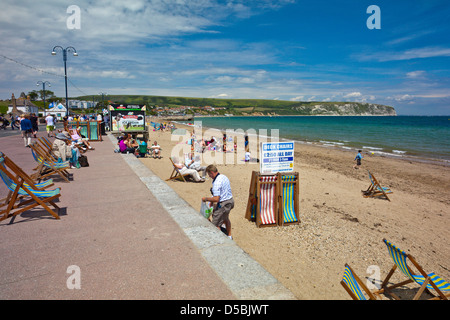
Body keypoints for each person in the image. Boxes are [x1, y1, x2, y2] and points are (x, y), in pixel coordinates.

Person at [202, 165, 234, 239]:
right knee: (226, 218)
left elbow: (216, 199)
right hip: (230, 201)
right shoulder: (223, 177)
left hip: (223, 204)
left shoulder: (216, 183)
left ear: (212, 172)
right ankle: (229, 236)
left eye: (209, 174)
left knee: (215, 225)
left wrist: (206, 199)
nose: (209, 176)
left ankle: (220, 240)